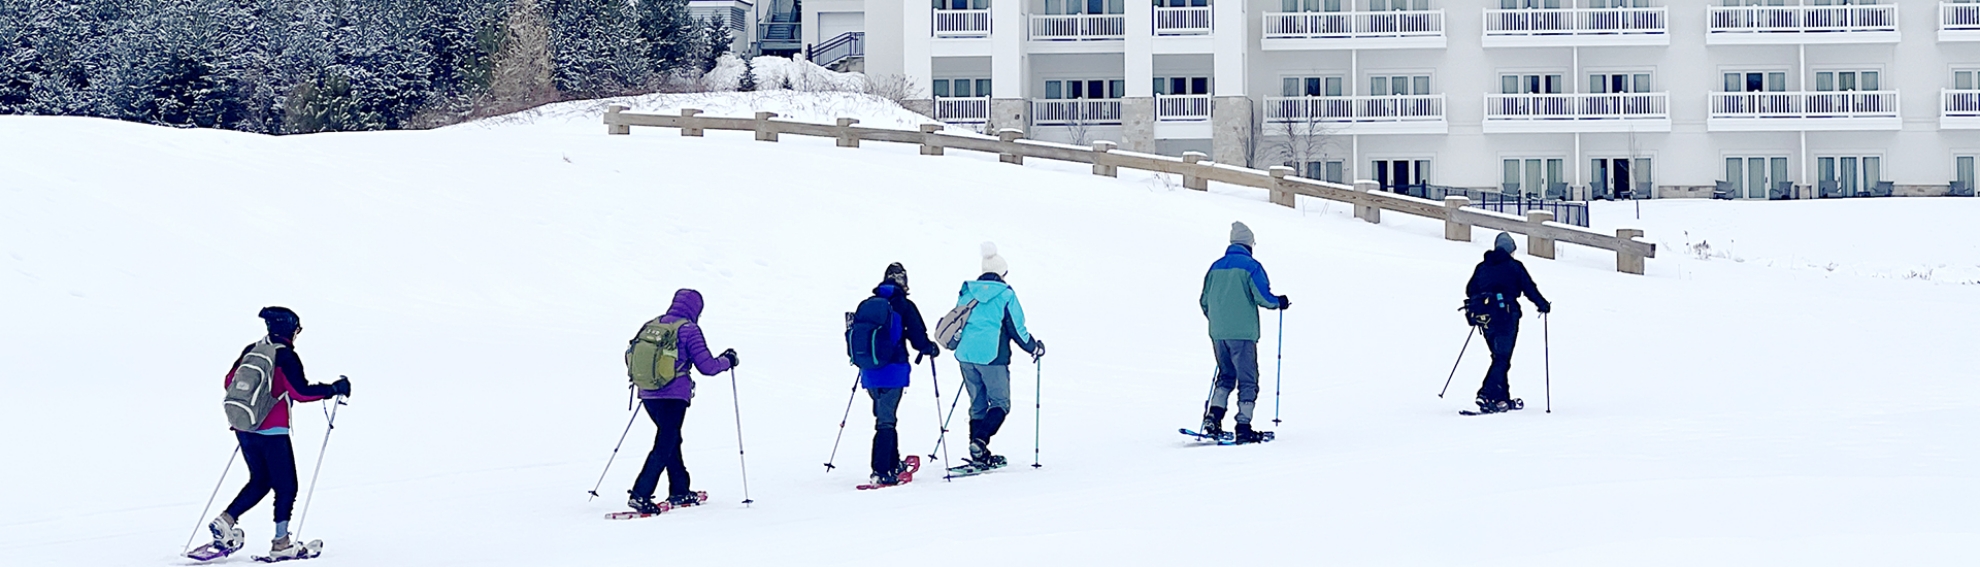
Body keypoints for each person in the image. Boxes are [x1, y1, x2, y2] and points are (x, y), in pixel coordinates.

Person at [207, 307, 351, 560]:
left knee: (261, 480)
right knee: (287, 486)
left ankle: (225, 520)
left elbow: (229, 381)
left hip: (244, 426)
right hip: (272, 429)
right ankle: (281, 543)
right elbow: (301, 392)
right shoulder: (285, 356)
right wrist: (334, 389)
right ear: (290, 330)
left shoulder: (252, 349)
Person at [625, 289, 739, 514]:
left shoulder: (653, 324)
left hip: (647, 392)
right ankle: (641, 494)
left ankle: (680, 489)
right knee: (665, 443)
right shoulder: (689, 330)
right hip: (674, 395)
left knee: (671, 438)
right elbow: (707, 367)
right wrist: (728, 360)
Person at [952, 242, 1043, 467]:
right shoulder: (1005, 295)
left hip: (965, 355)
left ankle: (978, 452)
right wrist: (1034, 347)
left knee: (978, 404)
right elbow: (1016, 328)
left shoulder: (967, 291)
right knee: (1001, 403)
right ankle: (980, 442)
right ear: (1002, 272)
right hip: (992, 357)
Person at [1198, 222, 1288, 444]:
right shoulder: (1251, 267)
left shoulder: (1215, 267)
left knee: (1226, 375)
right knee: (1248, 380)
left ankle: (1213, 417)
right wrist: (1280, 302)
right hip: (1243, 334)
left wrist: (1218, 321)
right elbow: (1263, 297)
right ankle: (1243, 425)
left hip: (1218, 332)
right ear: (1249, 244)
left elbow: (1204, 300)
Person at [861, 263, 941, 486]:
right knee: (886, 421)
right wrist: (930, 348)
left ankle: (893, 463)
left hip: (869, 371)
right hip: (892, 371)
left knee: (885, 416)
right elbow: (918, 338)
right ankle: (881, 470)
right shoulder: (903, 305)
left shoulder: (869, 304)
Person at [1465, 232, 1551, 414]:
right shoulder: (1514, 267)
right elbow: (1529, 288)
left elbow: (1470, 290)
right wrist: (1543, 305)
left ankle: (1501, 399)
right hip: (1506, 316)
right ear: (1511, 250)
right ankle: (1486, 393)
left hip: (1485, 319)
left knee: (1499, 358)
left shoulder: (1482, 267)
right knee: (1502, 358)